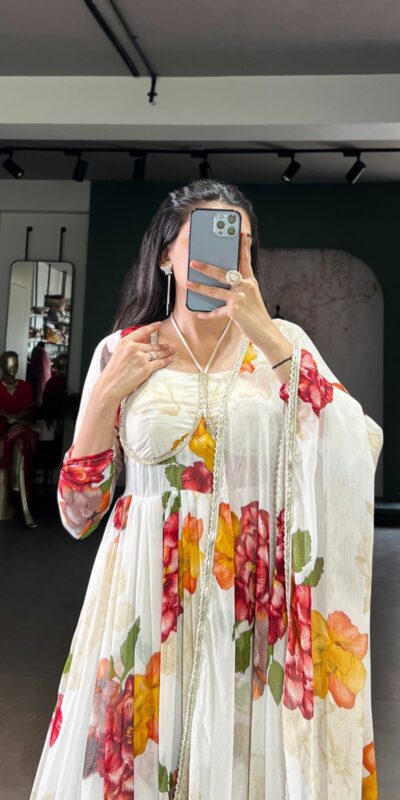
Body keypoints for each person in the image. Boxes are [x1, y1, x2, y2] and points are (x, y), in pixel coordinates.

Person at [29, 179, 383, 799]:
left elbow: (353, 441)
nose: (227, 256)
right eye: (208, 241)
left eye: (241, 243)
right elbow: (77, 514)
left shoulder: (284, 345)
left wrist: (265, 332)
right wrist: (105, 394)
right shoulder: (122, 350)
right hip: (144, 594)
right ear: (166, 255)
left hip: (252, 597)